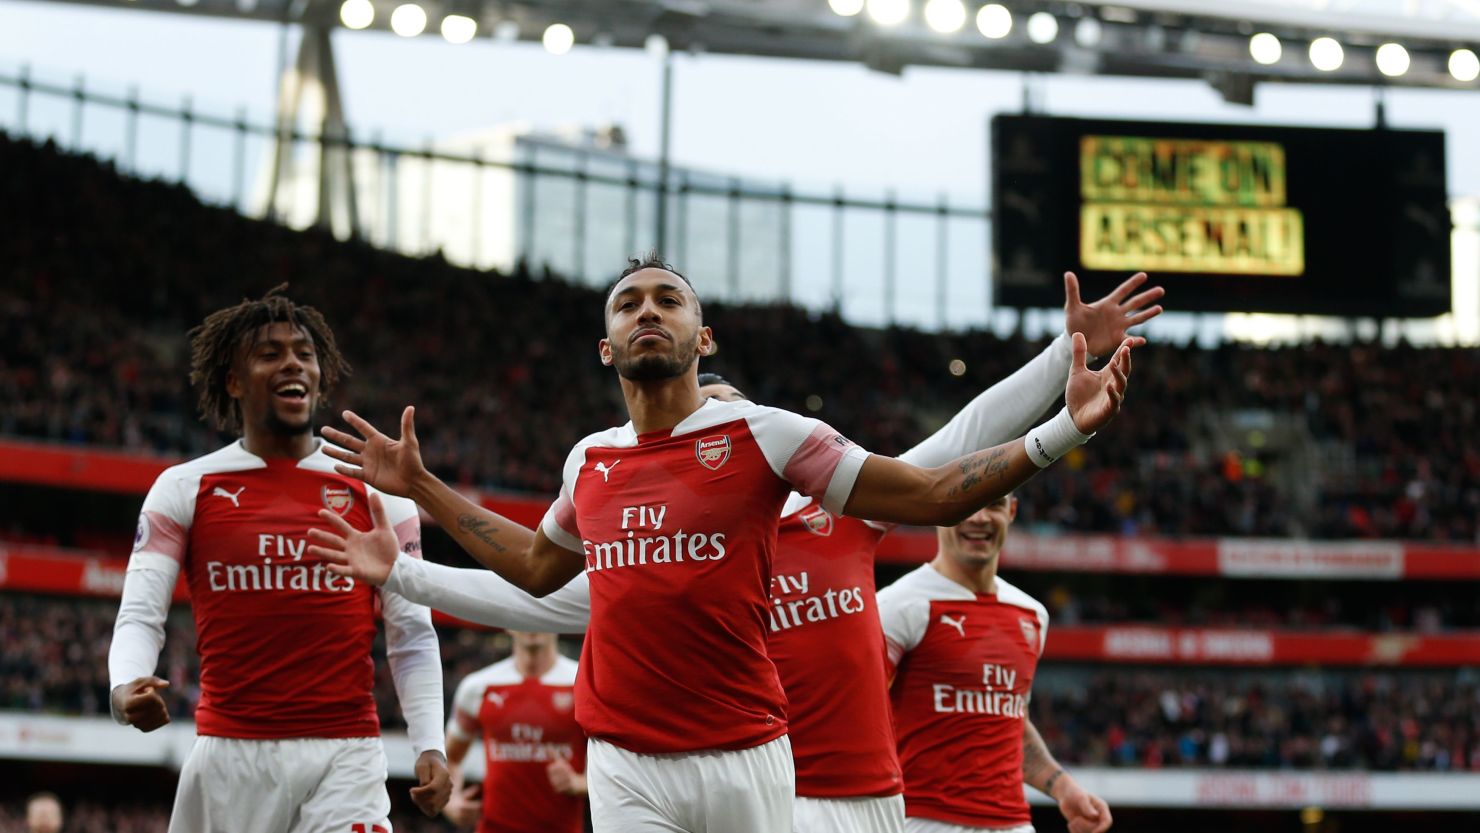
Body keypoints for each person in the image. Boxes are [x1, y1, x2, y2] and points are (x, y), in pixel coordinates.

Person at [309, 257, 1139, 832]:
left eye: (668, 300)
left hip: (826, 784)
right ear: (606, 346)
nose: (648, 313)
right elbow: (530, 582)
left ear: (707, 349)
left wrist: (1063, 396)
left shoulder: (821, 499)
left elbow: (957, 447)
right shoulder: (612, 489)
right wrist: (410, 557)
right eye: (630, 302)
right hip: (646, 757)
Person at [107, 288, 451, 833]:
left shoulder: (377, 494)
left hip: (347, 755)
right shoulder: (184, 488)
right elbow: (140, 614)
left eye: (305, 353)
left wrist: (430, 741)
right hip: (228, 759)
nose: (293, 362)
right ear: (234, 381)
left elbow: (410, 632)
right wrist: (125, 683)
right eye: (270, 353)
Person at [878, 494, 1111, 833]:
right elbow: (855, 717)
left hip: (1013, 822)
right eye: (966, 504)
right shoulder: (897, 606)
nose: (979, 518)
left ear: (1012, 511)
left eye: (995, 504)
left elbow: (1011, 721)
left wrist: (1063, 788)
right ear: (938, 509)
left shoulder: (1031, 614)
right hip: (923, 820)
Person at [442, 631, 586, 833]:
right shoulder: (477, 687)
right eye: (524, 612)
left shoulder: (582, 683)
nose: (532, 624)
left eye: (541, 612)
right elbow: (450, 759)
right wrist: (451, 802)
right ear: (508, 623)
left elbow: (615, 765)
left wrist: (579, 783)